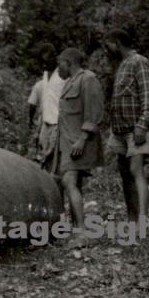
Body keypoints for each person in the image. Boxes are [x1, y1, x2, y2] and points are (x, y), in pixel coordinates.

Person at [104, 29, 149, 222]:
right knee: (125, 173)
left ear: (118, 42)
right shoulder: (121, 65)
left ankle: (143, 222)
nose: (107, 49)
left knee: (136, 171)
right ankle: (132, 218)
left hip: (135, 130)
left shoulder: (139, 61)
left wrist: (142, 124)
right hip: (120, 131)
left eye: (108, 44)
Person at [55, 48, 104, 246]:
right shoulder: (70, 82)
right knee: (71, 184)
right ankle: (76, 232)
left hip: (78, 141)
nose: (58, 68)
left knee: (68, 182)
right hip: (66, 142)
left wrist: (83, 138)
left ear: (68, 61)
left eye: (59, 63)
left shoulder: (88, 79)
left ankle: (82, 234)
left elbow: (94, 111)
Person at [27, 43, 66, 169]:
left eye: (46, 62)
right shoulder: (45, 74)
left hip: (58, 124)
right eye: (41, 63)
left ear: (55, 57)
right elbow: (44, 104)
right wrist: (39, 128)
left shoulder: (63, 74)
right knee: (42, 158)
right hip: (45, 123)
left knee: (55, 158)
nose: (44, 66)